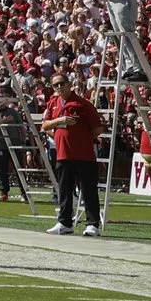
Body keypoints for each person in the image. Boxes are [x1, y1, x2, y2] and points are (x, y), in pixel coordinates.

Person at [37, 71, 103, 237]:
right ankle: (65, 223)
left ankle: (92, 223)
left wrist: (80, 138)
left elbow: (97, 129)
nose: (59, 87)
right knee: (64, 190)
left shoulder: (83, 104)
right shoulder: (52, 103)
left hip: (84, 155)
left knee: (88, 190)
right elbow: (44, 126)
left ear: (69, 84)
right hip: (62, 154)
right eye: (55, 85)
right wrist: (60, 124)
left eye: (61, 83)